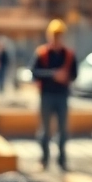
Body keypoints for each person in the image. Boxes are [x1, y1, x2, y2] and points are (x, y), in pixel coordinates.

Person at [31, 19, 77, 171]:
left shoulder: (69, 54)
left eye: (59, 35)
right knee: (44, 129)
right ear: (49, 36)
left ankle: (62, 161)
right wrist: (53, 75)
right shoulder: (42, 53)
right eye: (54, 35)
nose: (57, 38)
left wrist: (66, 77)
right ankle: (44, 159)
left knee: (63, 130)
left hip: (62, 96)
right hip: (46, 95)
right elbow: (34, 73)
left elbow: (74, 74)